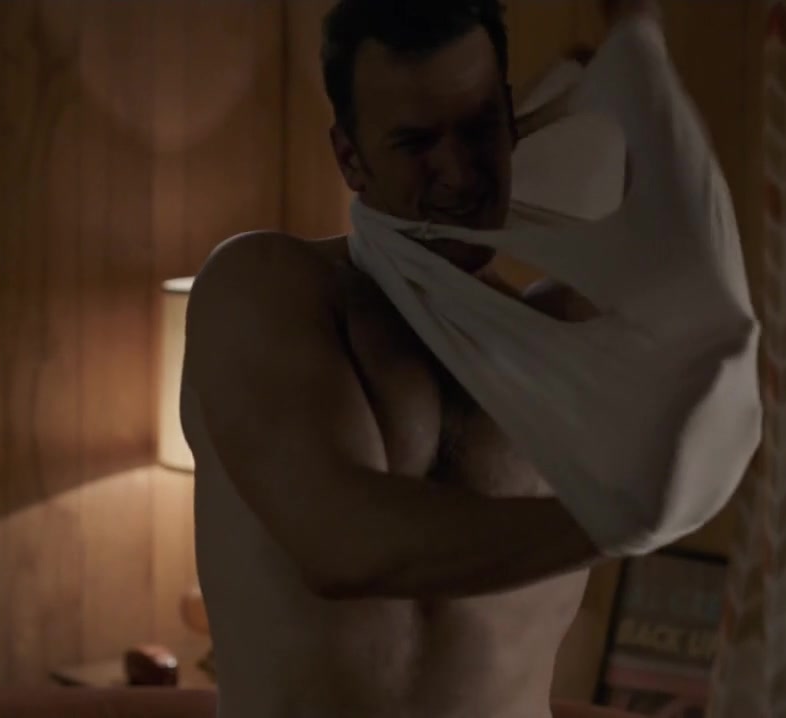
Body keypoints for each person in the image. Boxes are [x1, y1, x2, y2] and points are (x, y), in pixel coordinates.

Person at [183, 1, 659, 716]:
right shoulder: (264, 290)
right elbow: (342, 543)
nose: (458, 174)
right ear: (351, 157)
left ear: (512, 122)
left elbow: (685, 278)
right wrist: (631, 518)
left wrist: (635, 90)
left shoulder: (565, 337)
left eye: (479, 128)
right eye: (415, 142)